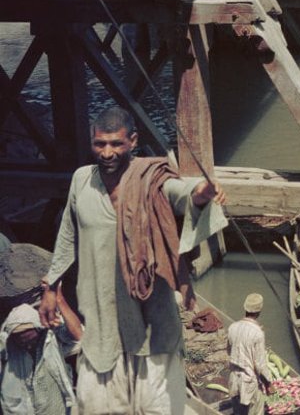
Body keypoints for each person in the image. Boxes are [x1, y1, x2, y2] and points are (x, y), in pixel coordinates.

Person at [40, 105, 227, 415]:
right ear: (92, 142)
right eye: (100, 143)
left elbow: (181, 193)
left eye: (116, 143)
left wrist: (202, 191)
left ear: (133, 141)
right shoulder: (81, 180)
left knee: (159, 407)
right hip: (102, 316)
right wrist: (51, 286)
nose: (107, 152)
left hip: (151, 318)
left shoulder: (151, 179)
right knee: (97, 405)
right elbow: (67, 235)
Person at [0, 295, 82, 415]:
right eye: (22, 342)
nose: (28, 346)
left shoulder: (52, 337)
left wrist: (58, 299)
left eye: (31, 341)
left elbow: (77, 335)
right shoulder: (6, 344)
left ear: (39, 331)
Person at [227, 293, 273, 415]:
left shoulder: (232, 327)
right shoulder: (258, 333)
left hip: (234, 379)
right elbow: (260, 365)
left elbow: (229, 351)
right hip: (249, 383)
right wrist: (268, 384)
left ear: (245, 308)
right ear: (259, 312)